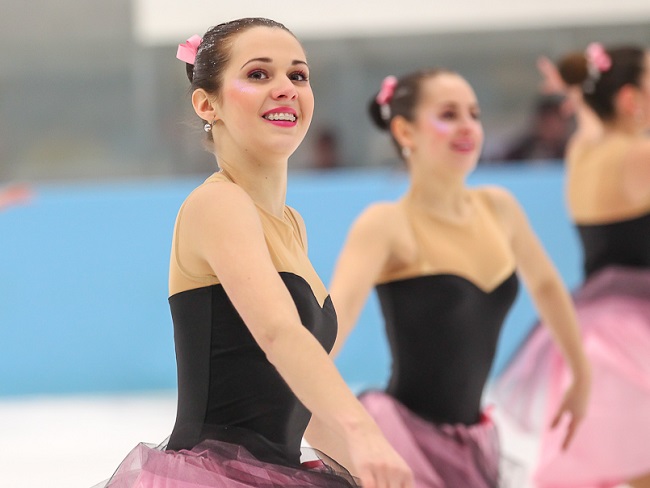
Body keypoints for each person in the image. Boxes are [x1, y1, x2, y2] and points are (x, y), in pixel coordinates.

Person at [94, 18, 412, 488]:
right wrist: (363, 430)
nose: (285, 88)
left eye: (298, 75)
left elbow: (303, 404)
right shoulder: (217, 203)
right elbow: (279, 334)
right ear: (207, 104)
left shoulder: (292, 225)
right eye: (258, 74)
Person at [304, 69, 591, 487]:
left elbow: (547, 287)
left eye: (474, 114)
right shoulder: (385, 224)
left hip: (472, 442)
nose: (467, 126)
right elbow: (332, 331)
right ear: (405, 130)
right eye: (449, 114)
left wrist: (581, 372)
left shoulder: (499, 208)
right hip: (401, 440)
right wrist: (315, 416)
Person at [497, 43, 650, 488]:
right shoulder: (637, 156)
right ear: (629, 98)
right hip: (634, 329)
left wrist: (579, 93)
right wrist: (580, 91)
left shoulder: (583, 147)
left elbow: (595, 117)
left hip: (593, 328)